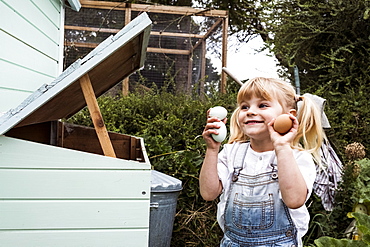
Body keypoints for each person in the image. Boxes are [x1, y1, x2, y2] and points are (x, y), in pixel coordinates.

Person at [200, 77, 325, 247]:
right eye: (244, 106)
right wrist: (212, 150)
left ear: (289, 116)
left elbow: (294, 200)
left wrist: (281, 146)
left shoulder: (296, 158)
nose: (250, 111)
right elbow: (208, 193)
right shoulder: (232, 153)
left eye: (262, 105)